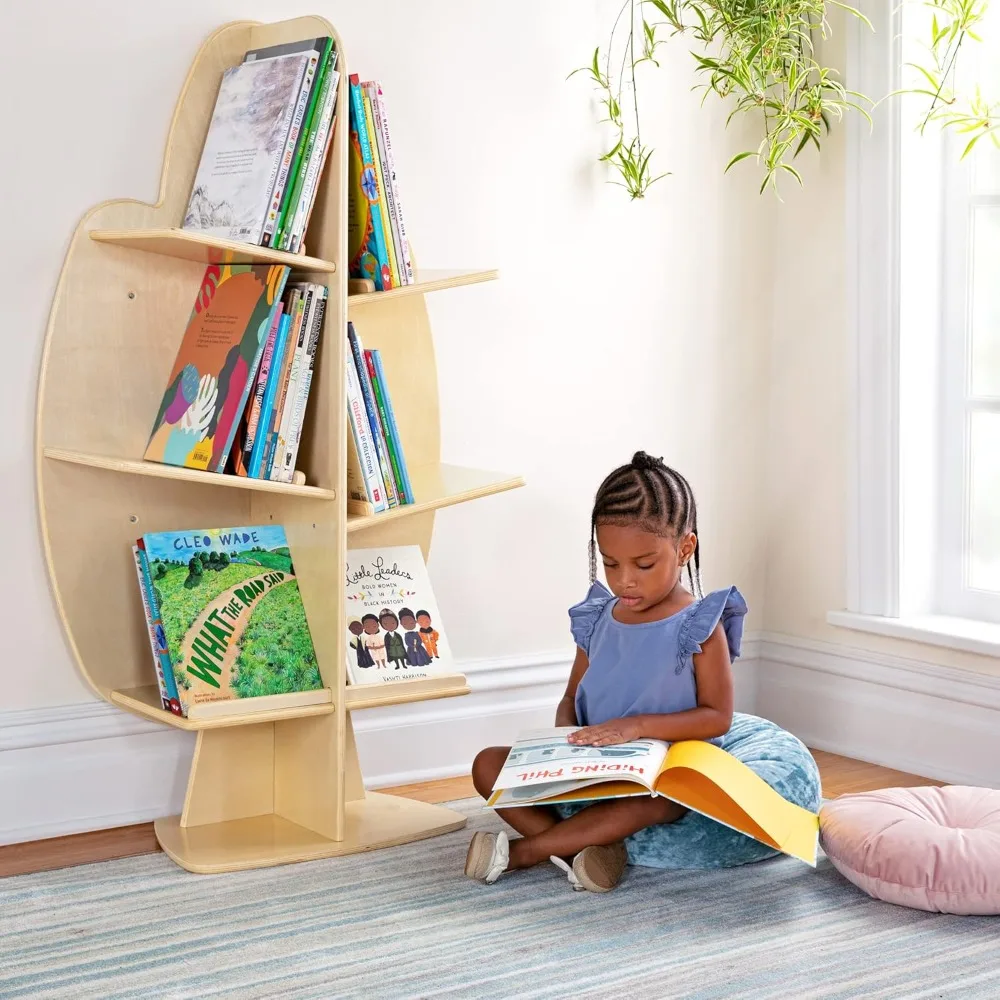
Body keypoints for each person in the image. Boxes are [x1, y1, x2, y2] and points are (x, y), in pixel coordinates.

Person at [465, 451, 747, 893]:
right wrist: (566, 740)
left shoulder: (699, 626)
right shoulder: (598, 617)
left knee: (654, 801)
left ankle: (524, 853)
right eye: (611, 563)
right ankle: (590, 853)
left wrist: (635, 727)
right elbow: (571, 696)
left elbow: (718, 717)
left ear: (685, 548)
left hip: (657, 778)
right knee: (487, 765)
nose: (624, 580)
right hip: (593, 771)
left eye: (644, 564)